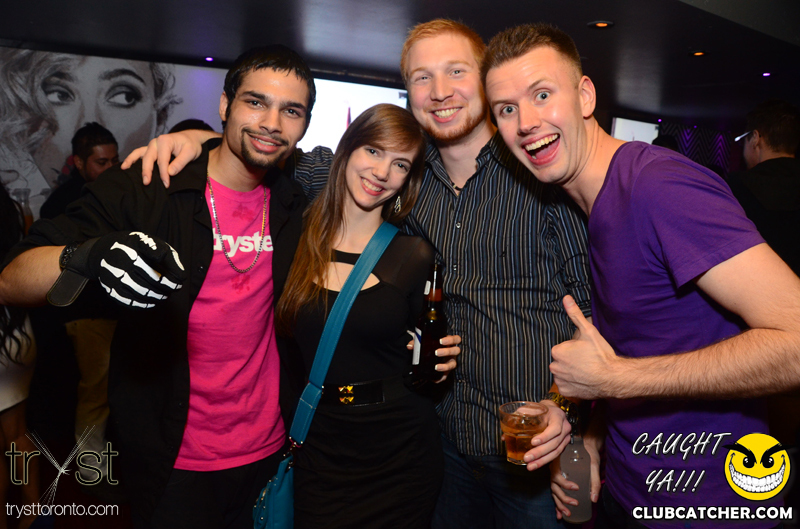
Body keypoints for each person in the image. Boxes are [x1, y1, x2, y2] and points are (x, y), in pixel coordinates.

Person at [123, 19, 591, 529]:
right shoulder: (409, 175)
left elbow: (595, 315)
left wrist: (584, 428)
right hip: (446, 443)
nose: (439, 91)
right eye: (422, 77)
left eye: (456, 71)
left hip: (532, 450)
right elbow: (276, 150)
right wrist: (199, 139)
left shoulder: (539, 175)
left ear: (483, 79)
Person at [482, 23, 800, 528]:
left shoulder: (658, 186)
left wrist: (613, 379)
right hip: (629, 491)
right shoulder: (595, 205)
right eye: (506, 109)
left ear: (585, 96)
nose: (526, 122)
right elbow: (643, 342)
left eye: (542, 95)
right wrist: (593, 438)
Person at [0, 45, 315, 529]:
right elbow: (11, 278)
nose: (271, 123)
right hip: (173, 461)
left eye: (291, 111)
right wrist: (85, 257)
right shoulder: (149, 185)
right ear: (225, 104)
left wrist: (197, 137)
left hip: (267, 452)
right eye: (255, 102)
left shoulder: (297, 198)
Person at [277, 103, 448, 527]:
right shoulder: (295, 237)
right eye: (373, 151)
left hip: (400, 455)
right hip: (321, 445)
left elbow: (428, 357)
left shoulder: (413, 256)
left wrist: (441, 364)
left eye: (400, 164)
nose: (382, 172)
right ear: (349, 149)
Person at [39, 122, 120, 489]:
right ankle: (92, 471)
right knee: (95, 392)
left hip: (110, 312)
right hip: (86, 314)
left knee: (108, 390)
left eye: (114, 160)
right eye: (102, 162)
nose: (111, 168)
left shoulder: (113, 193)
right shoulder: (65, 204)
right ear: (78, 162)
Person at [0, 50, 180, 215]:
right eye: (59, 95)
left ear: (160, 116)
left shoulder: (148, 202)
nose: (87, 118)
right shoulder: (62, 206)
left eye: (124, 97)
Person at [0, 185, 38, 529]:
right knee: (17, 431)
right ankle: (33, 512)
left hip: (4, 332)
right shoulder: (9, 209)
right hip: (16, 331)